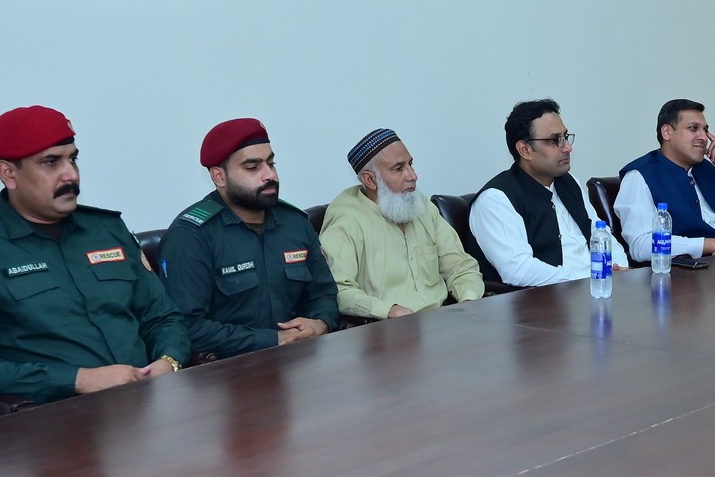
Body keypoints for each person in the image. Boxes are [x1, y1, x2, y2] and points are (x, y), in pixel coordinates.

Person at [0, 106, 189, 401]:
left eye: (73, 159)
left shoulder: (107, 229)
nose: (71, 175)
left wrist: (168, 361)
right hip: (57, 415)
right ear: (8, 173)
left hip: (147, 401)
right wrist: (78, 380)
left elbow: (162, 317)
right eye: (51, 162)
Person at [157, 118, 337, 359]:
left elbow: (324, 293)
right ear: (219, 176)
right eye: (253, 167)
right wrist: (274, 339)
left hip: (301, 358)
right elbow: (189, 326)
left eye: (271, 163)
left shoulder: (295, 223)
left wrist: (320, 323)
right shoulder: (190, 236)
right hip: (231, 368)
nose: (270, 175)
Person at [320, 127, 484, 319]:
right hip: (388, 328)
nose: (413, 176)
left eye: (410, 164)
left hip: (444, 319)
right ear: (370, 180)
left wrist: (469, 302)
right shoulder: (347, 217)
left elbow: (460, 266)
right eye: (398, 169)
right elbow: (339, 290)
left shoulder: (420, 205)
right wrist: (390, 311)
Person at [469, 99, 604, 287]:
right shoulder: (496, 200)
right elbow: (518, 270)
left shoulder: (570, 182)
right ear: (525, 150)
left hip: (595, 286)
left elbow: (601, 234)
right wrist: (589, 277)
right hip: (550, 298)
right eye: (555, 140)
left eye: (565, 137)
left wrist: (617, 268)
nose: (567, 147)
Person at [614, 99, 715, 264]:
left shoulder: (707, 169)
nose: (703, 137)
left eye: (705, 130)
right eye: (693, 128)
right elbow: (641, 245)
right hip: (695, 269)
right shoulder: (639, 176)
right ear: (667, 132)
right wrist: (707, 245)